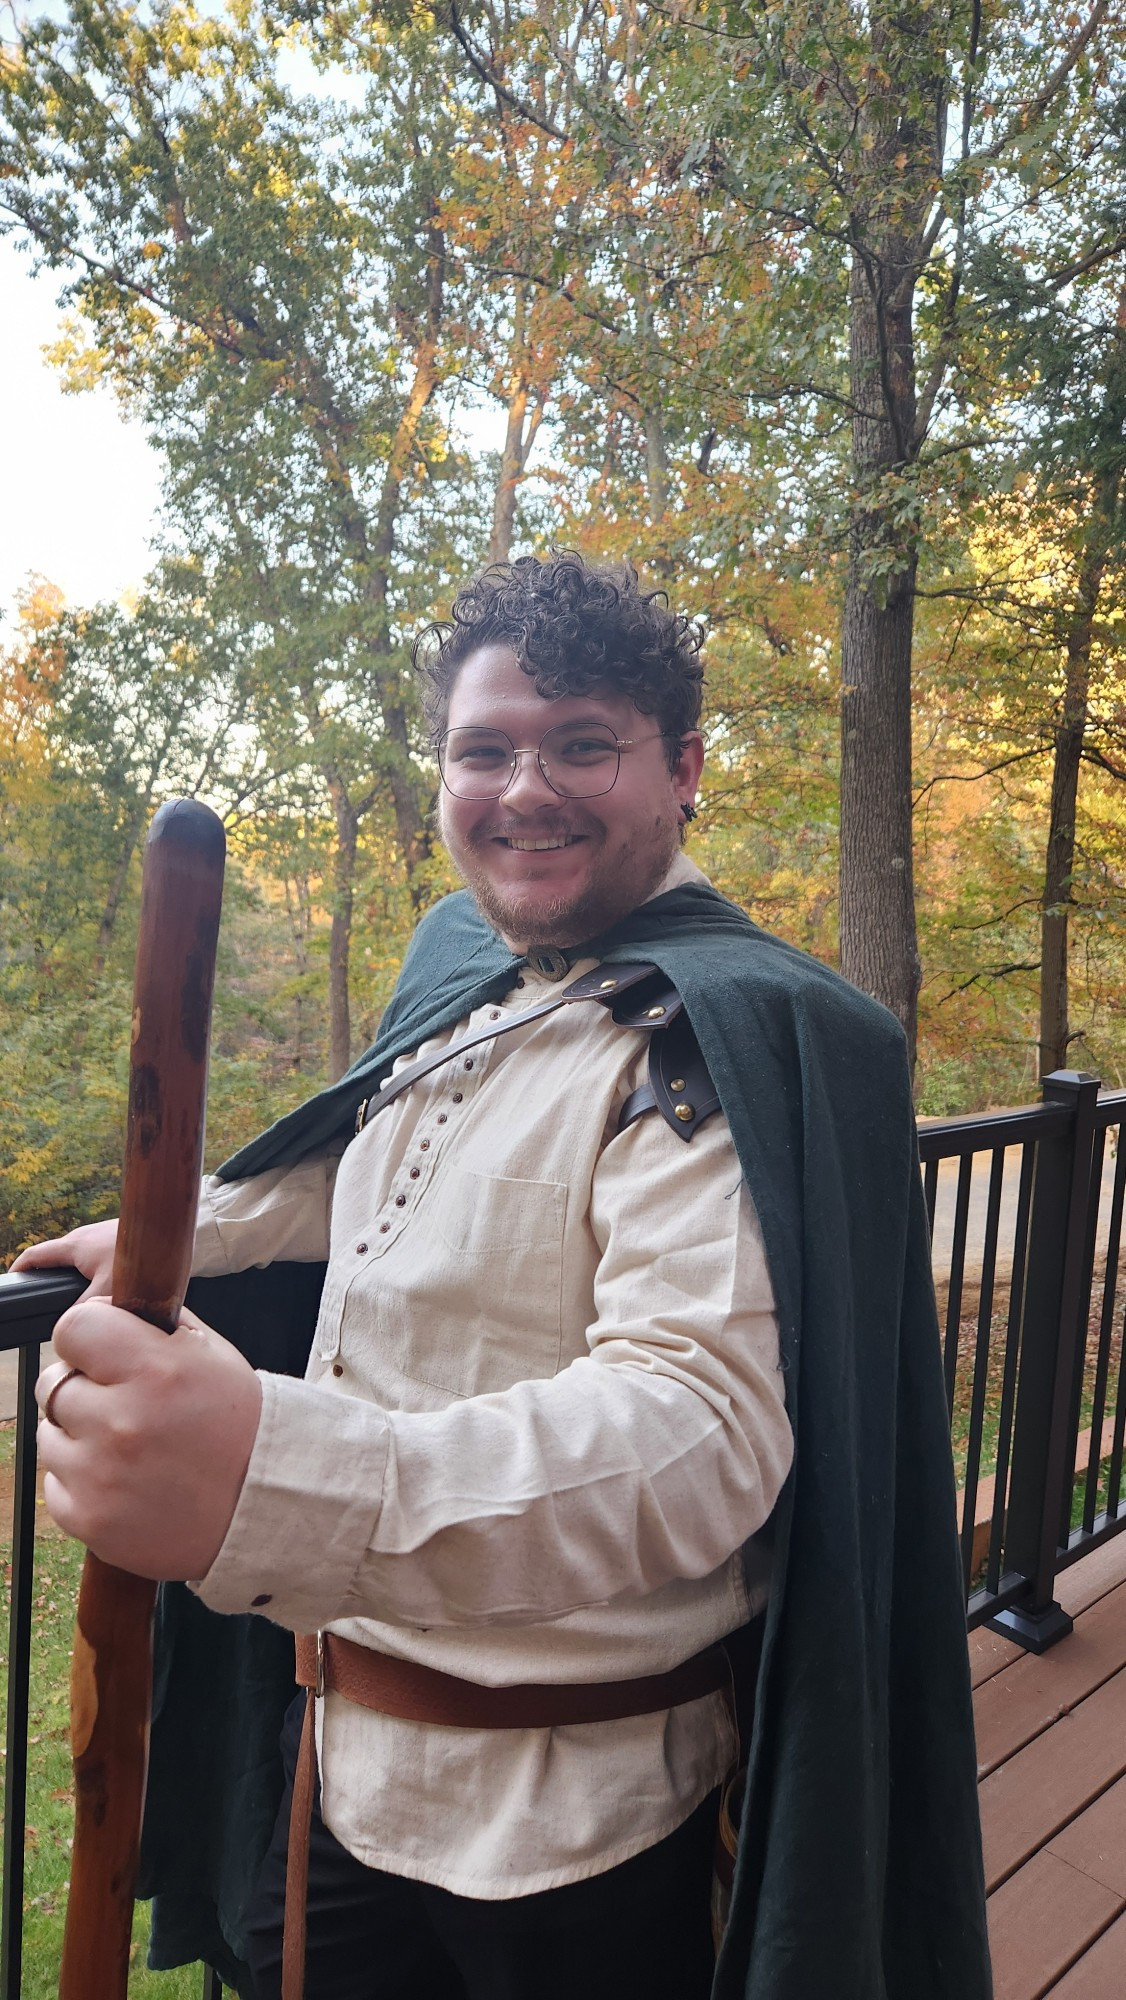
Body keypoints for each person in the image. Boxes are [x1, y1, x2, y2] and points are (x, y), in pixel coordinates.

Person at [17, 553, 991, 2000]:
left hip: (585, 1823)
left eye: (582, 743)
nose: (523, 788)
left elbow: (697, 1441)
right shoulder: (466, 963)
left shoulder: (728, 1038)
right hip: (340, 1762)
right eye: (483, 749)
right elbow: (370, 1162)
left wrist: (264, 1472)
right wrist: (192, 1236)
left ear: (682, 768)